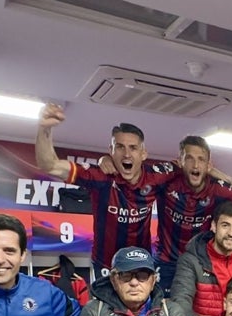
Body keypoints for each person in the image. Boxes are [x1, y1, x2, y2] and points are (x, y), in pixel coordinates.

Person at [35, 103, 177, 276]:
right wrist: (44, 129)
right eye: (120, 147)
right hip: (106, 265)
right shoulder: (99, 177)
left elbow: (192, 168)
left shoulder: (156, 177)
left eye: (133, 148)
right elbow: (49, 165)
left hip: (141, 263)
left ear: (143, 153)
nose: (126, 154)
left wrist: (213, 170)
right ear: (111, 150)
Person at [154, 136, 232, 292]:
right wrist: (109, 161)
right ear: (180, 162)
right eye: (189, 158)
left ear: (209, 165)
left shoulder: (219, 189)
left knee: (199, 312)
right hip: (167, 263)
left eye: (201, 160)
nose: (195, 164)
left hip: (200, 264)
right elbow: (136, 171)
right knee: (167, 314)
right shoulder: (166, 181)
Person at [170, 202, 232, 316]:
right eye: (225, 225)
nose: (231, 233)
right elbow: (180, 299)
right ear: (213, 226)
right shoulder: (191, 259)